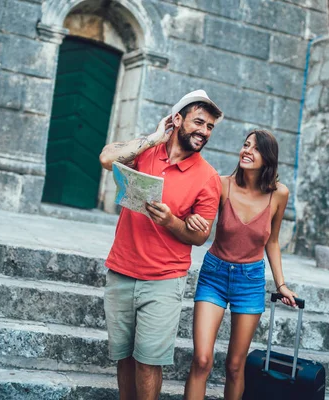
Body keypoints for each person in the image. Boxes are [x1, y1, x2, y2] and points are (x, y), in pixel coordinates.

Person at [98, 90, 224, 400]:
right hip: (122, 270)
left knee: (148, 362)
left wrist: (171, 221)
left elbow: (199, 237)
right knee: (124, 357)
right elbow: (105, 158)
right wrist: (154, 138)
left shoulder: (208, 178)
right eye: (198, 122)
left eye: (209, 127)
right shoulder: (146, 153)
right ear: (176, 120)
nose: (204, 132)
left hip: (164, 279)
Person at [182, 129, 298, 400]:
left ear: (268, 158)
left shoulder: (279, 194)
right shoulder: (222, 185)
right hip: (214, 275)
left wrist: (281, 284)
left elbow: (273, 241)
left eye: (255, 148)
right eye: (245, 145)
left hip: (250, 281)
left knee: (235, 366)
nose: (247, 151)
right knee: (201, 359)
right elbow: (197, 219)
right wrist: (190, 219)